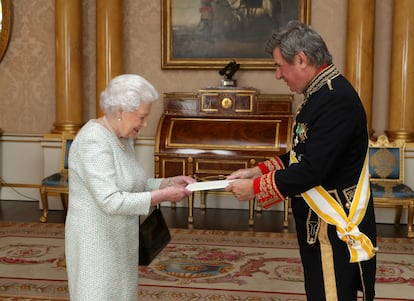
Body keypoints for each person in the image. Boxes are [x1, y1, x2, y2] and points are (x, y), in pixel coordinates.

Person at [226, 20, 377, 301]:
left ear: (301, 59)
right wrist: (255, 172)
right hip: (320, 222)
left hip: (332, 225)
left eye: (279, 66)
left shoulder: (334, 99)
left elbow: (313, 168)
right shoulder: (320, 94)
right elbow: (303, 152)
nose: (277, 75)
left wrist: (256, 188)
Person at [65, 74, 195, 301]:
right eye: (142, 117)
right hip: (95, 244)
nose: (145, 124)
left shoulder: (123, 137)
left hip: (121, 239)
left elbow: (135, 184)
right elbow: (110, 200)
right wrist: (162, 196)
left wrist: (169, 182)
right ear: (119, 111)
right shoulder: (93, 141)